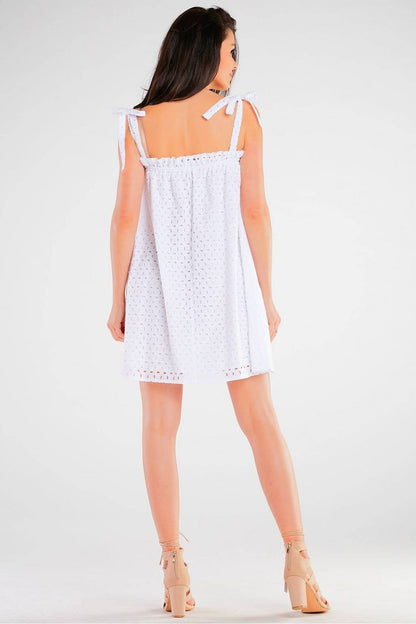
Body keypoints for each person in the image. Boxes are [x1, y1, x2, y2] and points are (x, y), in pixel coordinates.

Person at [107, 6, 330, 618]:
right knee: (261, 420)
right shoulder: (241, 118)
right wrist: (267, 294)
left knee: (158, 427)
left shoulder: (139, 124)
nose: (235, 65)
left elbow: (125, 218)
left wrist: (118, 296)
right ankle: (298, 560)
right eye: (230, 51)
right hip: (229, 285)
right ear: (204, 52)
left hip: (157, 287)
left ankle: (174, 571)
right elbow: (255, 212)